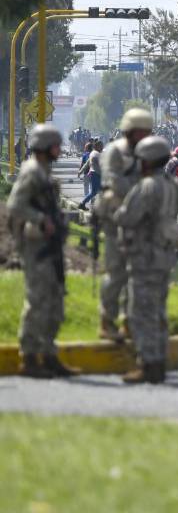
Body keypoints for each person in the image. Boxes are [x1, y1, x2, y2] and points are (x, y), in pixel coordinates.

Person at [8, 124, 78, 379]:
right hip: (36, 248)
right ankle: (29, 357)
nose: (60, 150)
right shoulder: (32, 172)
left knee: (54, 300)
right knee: (37, 301)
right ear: (46, 147)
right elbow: (15, 204)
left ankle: (48, 355)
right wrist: (40, 219)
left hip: (49, 246)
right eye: (56, 146)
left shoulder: (44, 172)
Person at [115, 136, 178, 385]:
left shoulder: (147, 187)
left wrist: (114, 210)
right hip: (163, 255)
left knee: (140, 311)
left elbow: (128, 217)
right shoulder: (172, 184)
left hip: (145, 257)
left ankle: (147, 362)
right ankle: (159, 362)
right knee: (158, 311)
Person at [95, 108, 154, 342]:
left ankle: (129, 321)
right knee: (116, 273)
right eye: (139, 132)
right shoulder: (114, 152)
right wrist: (142, 194)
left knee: (137, 274)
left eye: (146, 132)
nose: (143, 136)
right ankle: (106, 321)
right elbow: (115, 181)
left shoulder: (146, 153)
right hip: (115, 221)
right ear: (129, 131)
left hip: (139, 220)